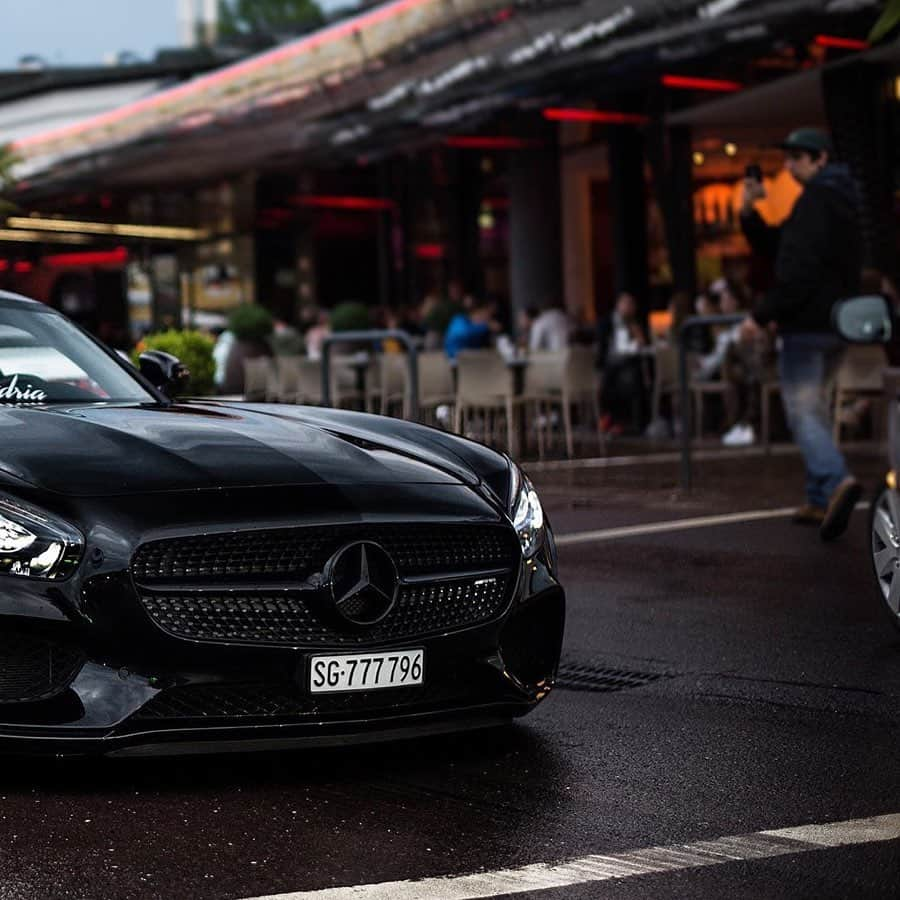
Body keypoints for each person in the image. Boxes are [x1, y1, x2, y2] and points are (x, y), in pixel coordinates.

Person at [738, 127, 862, 540]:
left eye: (799, 157)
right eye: (788, 157)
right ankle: (817, 495)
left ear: (820, 159)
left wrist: (762, 314)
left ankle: (835, 479)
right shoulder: (842, 202)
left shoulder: (815, 202)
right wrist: (750, 214)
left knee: (804, 412)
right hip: (837, 323)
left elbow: (795, 268)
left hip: (806, 326)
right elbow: (784, 246)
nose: (790, 165)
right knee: (816, 409)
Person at [596, 292, 649, 434]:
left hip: (630, 363)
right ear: (618, 304)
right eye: (626, 303)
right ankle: (612, 419)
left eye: (632, 304)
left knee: (631, 376)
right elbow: (606, 349)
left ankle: (623, 421)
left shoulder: (636, 323)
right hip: (609, 364)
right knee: (615, 377)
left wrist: (638, 336)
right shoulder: (607, 322)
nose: (629, 307)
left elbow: (641, 346)